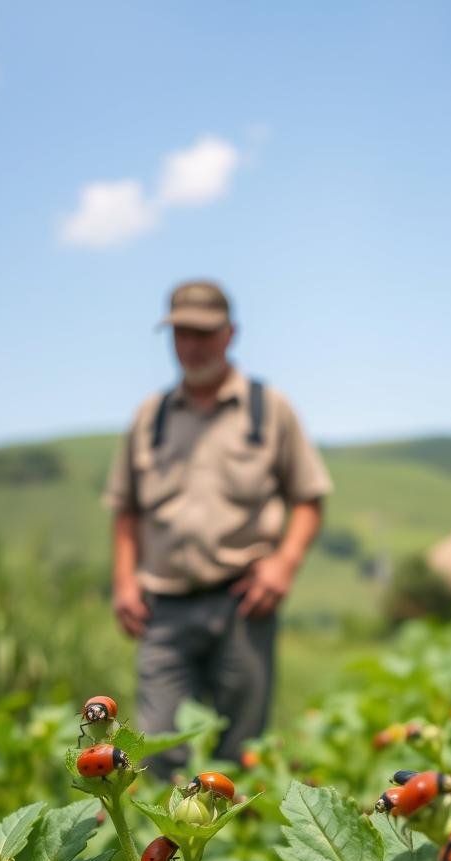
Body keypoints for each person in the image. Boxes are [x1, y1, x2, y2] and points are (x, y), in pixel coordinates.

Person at [103, 280, 331, 778]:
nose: (192, 345)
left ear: (231, 334)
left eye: (204, 333)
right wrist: (124, 581)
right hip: (163, 609)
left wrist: (283, 563)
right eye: (181, 333)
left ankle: (237, 852)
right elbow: (125, 508)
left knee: (239, 757)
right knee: (156, 751)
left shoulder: (267, 408)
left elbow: (310, 497)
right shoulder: (150, 416)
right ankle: (168, 852)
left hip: (243, 605)